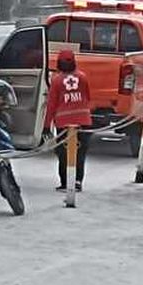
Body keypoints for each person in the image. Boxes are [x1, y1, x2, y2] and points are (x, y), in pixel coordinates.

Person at [45, 49, 93, 192]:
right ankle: (77, 181)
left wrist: (46, 126)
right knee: (80, 153)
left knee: (63, 154)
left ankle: (65, 182)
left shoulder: (57, 80)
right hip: (83, 121)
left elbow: (51, 105)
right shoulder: (83, 77)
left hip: (64, 123)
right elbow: (87, 97)